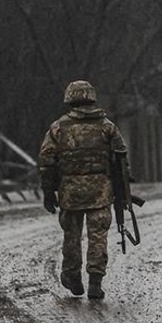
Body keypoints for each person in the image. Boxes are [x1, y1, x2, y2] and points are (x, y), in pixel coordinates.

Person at [39, 80, 128, 299]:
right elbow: (121, 160)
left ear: (70, 99)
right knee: (98, 236)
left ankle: (72, 276)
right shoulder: (107, 126)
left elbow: (46, 160)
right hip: (101, 191)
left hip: (70, 192)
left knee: (72, 236)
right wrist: (122, 191)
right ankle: (95, 282)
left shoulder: (58, 127)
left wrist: (48, 190)